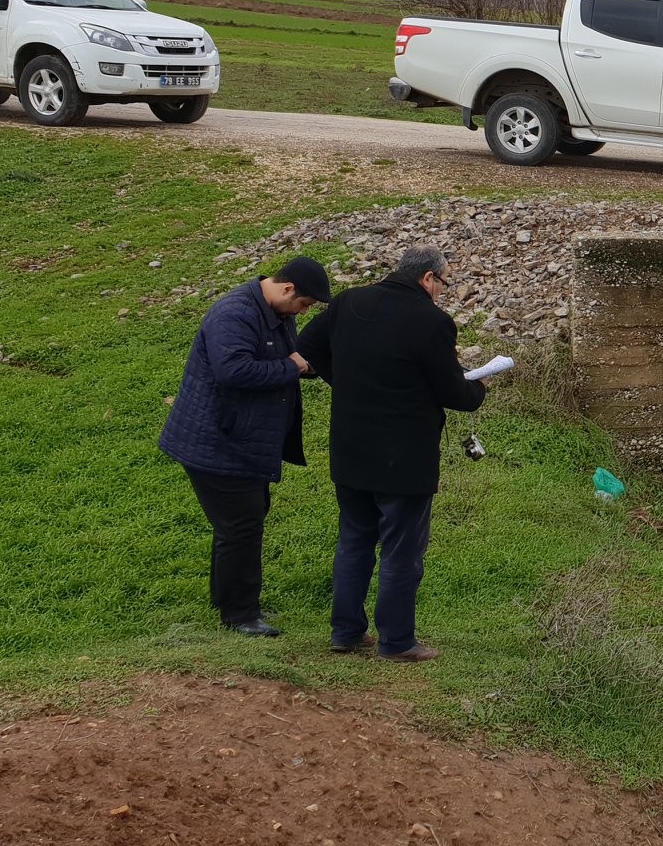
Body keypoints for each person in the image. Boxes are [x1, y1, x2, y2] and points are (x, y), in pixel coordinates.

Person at [296, 245, 487, 662]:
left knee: (354, 541)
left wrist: (343, 381)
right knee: (402, 549)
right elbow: (454, 393)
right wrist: (479, 388)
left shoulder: (348, 302)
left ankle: (345, 632)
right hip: (403, 456)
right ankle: (397, 641)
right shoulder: (431, 322)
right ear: (427, 279)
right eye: (444, 283)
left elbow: (306, 346)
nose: (442, 292)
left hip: (350, 448)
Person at [159, 256, 333, 637]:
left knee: (238, 523)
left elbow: (285, 358)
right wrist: (292, 366)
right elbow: (233, 371)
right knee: (242, 524)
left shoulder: (275, 313)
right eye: (304, 305)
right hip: (217, 442)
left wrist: (307, 365)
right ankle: (241, 615)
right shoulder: (233, 314)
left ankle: (227, 598)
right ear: (288, 289)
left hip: (240, 441)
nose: (303, 313)